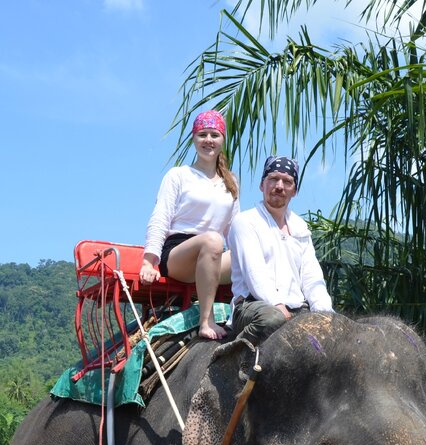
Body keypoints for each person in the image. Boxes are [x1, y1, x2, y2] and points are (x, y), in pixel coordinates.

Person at [139, 109, 240, 340]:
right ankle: (207, 321)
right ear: (194, 139)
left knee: (252, 252)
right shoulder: (178, 176)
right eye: (202, 134)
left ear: (223, 139)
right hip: (179, 255)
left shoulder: (231, 182)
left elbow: (235, 230)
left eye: (214, 135)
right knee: (213, 240)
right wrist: (148, 262)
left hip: (213, 258)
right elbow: (160, 217)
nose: (208, 140)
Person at [227, 155, 334, 344]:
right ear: (262, 185)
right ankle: (233, 352)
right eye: (273, 179)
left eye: (287, 181)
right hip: (254, 307)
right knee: (272, 319)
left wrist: (324, 313)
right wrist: (277, 305)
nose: (279, 186)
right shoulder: (245, 221)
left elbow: (312, 277)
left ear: (295, 191)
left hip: (295, 309)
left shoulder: (300, 228)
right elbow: (255, 273)